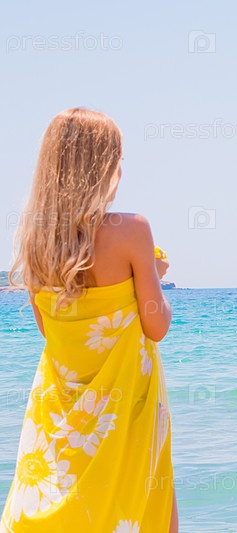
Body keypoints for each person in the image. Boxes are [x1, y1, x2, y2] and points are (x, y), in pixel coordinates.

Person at [1, 108, 178, 532]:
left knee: (62, 505)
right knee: (145, 502)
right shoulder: (132, 231)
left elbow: (51, 334)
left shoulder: (37, 243)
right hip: (128, 405)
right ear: (103, 169)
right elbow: (157, 326)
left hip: (60, 405)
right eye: (118, 159)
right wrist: (151, 275)